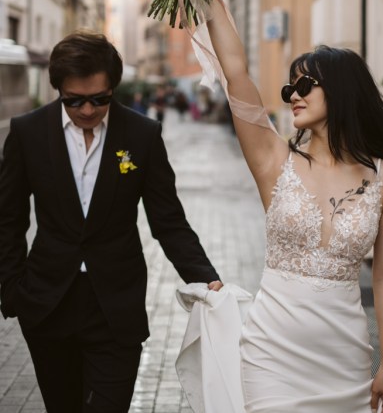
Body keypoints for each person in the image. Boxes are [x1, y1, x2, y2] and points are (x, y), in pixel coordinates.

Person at [202, 0, 383, 412]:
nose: (294, 95)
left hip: (346, 360)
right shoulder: (273, 161)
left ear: (343, 89)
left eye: (306, 84)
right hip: (271, 354)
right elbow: (235, 71)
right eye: (289, 88)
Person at [0, 30, 222, 413]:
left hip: (116, 308)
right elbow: (8, 217)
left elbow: (167, 220)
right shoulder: (28, 133)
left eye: (99, 99)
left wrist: (205, 276)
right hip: (47, 305)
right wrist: (12, 288)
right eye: (74, 101)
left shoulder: (142, 134)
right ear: (58, 90)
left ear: (113, 88)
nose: (87, 110)